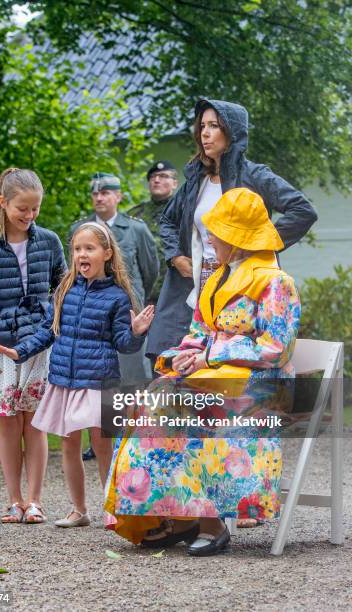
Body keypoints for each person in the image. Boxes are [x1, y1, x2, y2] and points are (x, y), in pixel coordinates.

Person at [105, 187, 301, 556]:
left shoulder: (277, 282)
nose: (208, 238)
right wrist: (182, 355)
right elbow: (199, 332)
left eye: (216, 232)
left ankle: (209, 521)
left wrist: (209, 355)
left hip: (260, 384)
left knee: (195, 408)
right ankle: (176, 514)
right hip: (217, 376)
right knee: (157, 399)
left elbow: (275, 348)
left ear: (238, 238)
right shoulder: (216, 279)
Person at [0, 222, 154, 527]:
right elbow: (47, 332)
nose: (82, 254)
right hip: (64, 381)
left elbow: (124, 344)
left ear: (106, 253)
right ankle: (79, 510)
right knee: (68, 444)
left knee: (102, 444)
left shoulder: (118, 297)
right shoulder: (64, 289)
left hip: (99, 382)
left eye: (89, 248)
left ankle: (113, 507)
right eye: (78, 249)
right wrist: (21, 351)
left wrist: (135, 333)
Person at [146, 98, 317, 363]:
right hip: (195, 280)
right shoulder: (195, 180)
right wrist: (175, 255)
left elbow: (303, 210)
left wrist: (258, 243)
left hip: (242, 280)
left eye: (214, 125)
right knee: (176, 357)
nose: (204, 132)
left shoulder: (255, 175)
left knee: (227, 358)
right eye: (202, 125)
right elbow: (167, 221)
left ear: (232, 132)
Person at [0, 168, 66, 523]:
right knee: (7, 422)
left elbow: (63, 288)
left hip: (38, 346)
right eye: (23, 209)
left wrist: (48, 322)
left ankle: (35, 500)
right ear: (3, 202)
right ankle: (13, 500)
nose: (30, 216)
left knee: (34, 423)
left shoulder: (49, 241)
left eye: (35, 209)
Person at [70, 172, 159, 460]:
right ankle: (100, 439)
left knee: (131, 378)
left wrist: (135, 301)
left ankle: (132, 438)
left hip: (126, 313)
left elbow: (150, 270)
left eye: (106, 192)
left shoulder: (135, 230)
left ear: (118, 196)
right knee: (97, 381)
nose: (99, 197)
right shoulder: (80, 229)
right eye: (95, 193)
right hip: (92, 317)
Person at [128, 160, 178, 302]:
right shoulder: (134, 215)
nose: (156, 180)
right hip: (141, 293)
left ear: (174, 183)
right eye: (153, 177)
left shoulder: (185, 211)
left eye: (163, 176)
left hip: (176, 293)